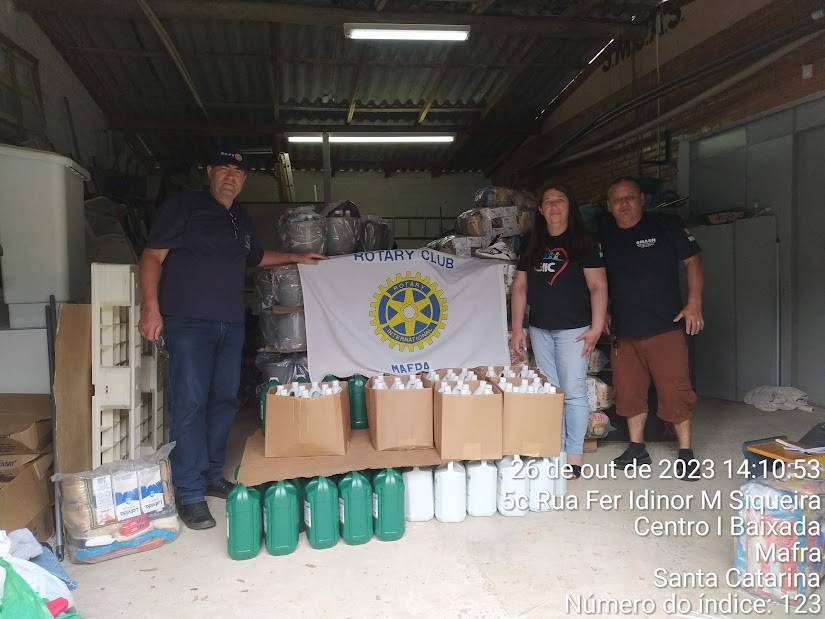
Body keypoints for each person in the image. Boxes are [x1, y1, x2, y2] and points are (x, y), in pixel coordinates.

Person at [138, 147, 324, 529]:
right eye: (223, 168)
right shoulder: (184, 206)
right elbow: (152, 256)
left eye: (238, 172)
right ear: (209, 171)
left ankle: (209, 475)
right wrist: (150, 308)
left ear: (244, 180)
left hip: (229, 322)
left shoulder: (240, 217)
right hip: (189, 322)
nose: (230, 177)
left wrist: (295, 258)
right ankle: (188, 492)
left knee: (223, 400)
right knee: (189, 403)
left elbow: (253, 258)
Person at [598, 177, 703, 481]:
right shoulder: (605, 234)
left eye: (630, 197)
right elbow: (600, 278)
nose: (624, 204)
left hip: (665, 327)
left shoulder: (666, 225)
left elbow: (693, 260)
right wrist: (603, 310)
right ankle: (636, 449)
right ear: (609, 206)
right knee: (629, 393)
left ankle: (686, 453)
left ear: (642, 199)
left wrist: (694, 303)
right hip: (625, 330)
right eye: (617, 200)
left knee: (676, 390)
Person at [511, 181, 608, 479]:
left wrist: (595, 327)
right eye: (548, 202)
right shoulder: (531, 242)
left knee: (574, 393)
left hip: (574, 330)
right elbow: (520, 287)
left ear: (569, 206)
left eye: (560, 200)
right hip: (541, 329)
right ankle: (554, 451)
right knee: (551, 393)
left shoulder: (583, 242)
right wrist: (517, 328)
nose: (553, 206)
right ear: (540, 210)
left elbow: (598, 285)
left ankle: (573, 458)